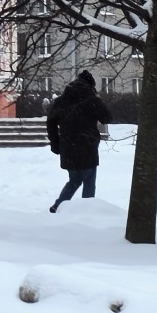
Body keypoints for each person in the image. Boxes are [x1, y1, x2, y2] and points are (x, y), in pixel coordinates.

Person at [45, 69, 112, 211]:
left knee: (74, 180)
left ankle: (58, 206)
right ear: (91, 86)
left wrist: (55, 143)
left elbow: (50, 123)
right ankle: (87, 211)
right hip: (88, 146)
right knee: (88, 181)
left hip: (68, 147)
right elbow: (107, 118)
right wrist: (99, 101)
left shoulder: (61, 101)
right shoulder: (92, 100)